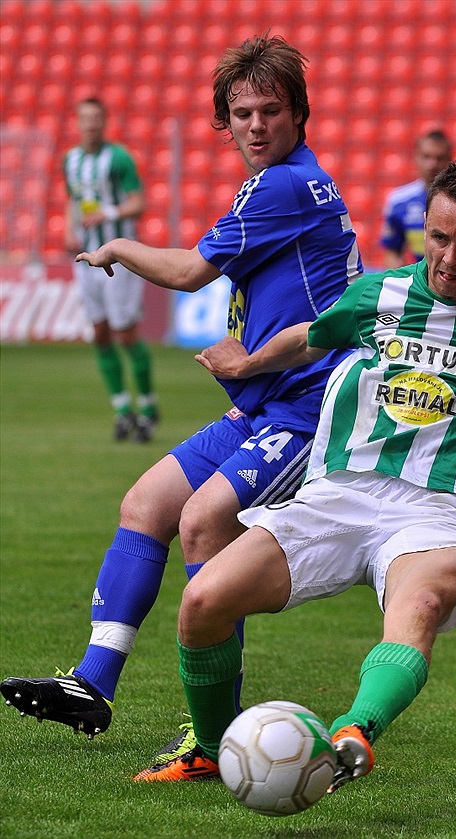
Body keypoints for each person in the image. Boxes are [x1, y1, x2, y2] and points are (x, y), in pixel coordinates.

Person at [128, 156, 456, 786]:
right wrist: (247, 366)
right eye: (440, 238)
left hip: (432, 507)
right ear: (425, 234)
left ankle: (354, 732)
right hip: (334, 494)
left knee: (426, 598)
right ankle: (212, 750)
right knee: (202, 602)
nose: (450, 257)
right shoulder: (376, 295)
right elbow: (308, 337)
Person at [0, 36, 363, 760]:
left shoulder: (284, 185)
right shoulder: (289, 181)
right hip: (265, 403)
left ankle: (212, 734)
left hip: (307, 410)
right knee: (146, 503)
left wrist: (118, 247)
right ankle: (93, 682)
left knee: (202, 522)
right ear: (224, 124)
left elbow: (194, 270)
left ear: (300, 114)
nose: (256, 124)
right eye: (242, 113)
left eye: (270, 109)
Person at [64, 97, 159, 443]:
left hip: (119, 259)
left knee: (125, 334)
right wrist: (68, 228)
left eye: (95, 118)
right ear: (78, 122)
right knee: (101, 333)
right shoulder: (71, 160)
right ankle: (122, 409)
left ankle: (148, 408)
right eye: (84, 118)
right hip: (85, 259)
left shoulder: (117, 158)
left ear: (103, 123)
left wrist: (108, 213)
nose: (89, 124)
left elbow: (139, 202)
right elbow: (71, 199)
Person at [380, 129, 453, 269]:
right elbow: (391, 251)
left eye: (440, 158)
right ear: (416, 157)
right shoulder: (398, 201)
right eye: (426, 157)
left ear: (450, 161)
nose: (432, 164)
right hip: (420, 282)